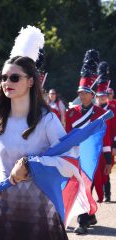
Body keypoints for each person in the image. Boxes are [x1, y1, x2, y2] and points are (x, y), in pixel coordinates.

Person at [0, 26, 69, 240]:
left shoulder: (48, 120)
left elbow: (70, 160)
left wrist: (30, 164)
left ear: (31, 81)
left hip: (40, 216)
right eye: (3, 77)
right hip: (1, 214)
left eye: (14, 78)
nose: (7, 82)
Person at [66, 50, 112, 235]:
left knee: (86, 186)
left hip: (92, 157)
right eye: (80, 92)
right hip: (73, 155)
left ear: (92, 94)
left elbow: (105, 137)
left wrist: (108, 160)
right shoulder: (72, 112)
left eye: (85, 92)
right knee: (76, 186)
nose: (82, 95)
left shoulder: (101, 114)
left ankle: (83, 221)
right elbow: (66, 135)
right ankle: (89, 215)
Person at [95, 61, 116, 202]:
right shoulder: (93, 111)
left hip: (108, 144)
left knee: (106, 170)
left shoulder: (112, 110)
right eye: (99, 97)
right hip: (96, 144)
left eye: (104, 96)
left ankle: (107, 194)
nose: (102, 98)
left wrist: (114, 145)